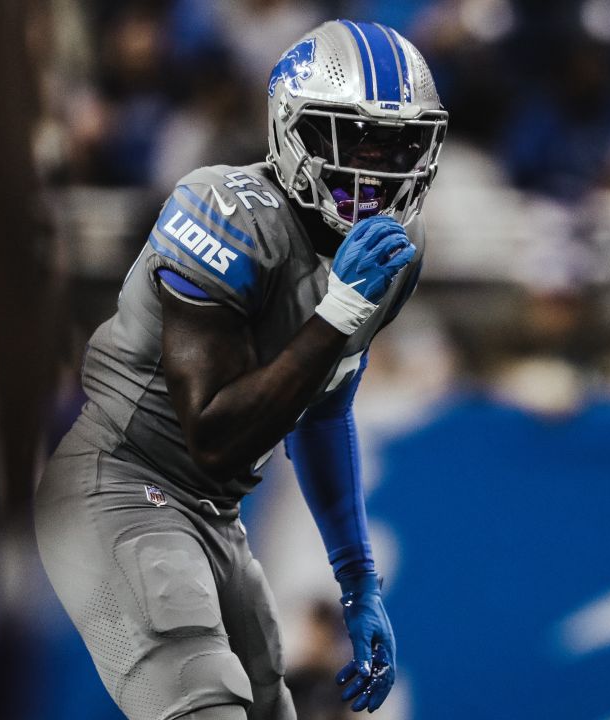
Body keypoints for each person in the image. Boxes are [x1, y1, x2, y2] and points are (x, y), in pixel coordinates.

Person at [34, 19, 447, 720]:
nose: (377, 166)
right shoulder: (223, 209)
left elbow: (322, 407)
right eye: (355, 138)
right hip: (122, 486)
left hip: (212, 514)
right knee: (204, 708)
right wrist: (338, 312)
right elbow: (214, 433)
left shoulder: (394, 252)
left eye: (398, 142)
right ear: (292, 131)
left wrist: (357, 581)